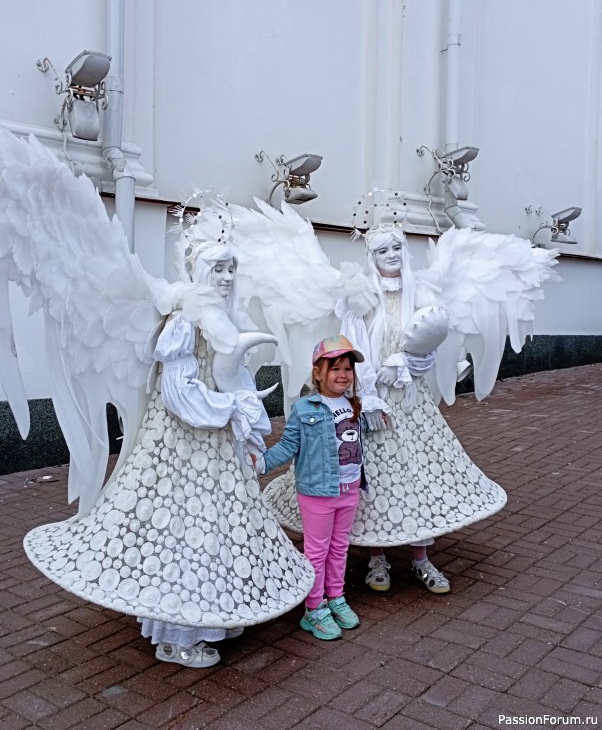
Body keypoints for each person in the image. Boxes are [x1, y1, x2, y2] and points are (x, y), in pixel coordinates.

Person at [23, 239, 314, 667]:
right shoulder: (183, 322)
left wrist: (244, 416)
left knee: (217, 527)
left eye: (232, 269)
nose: (227, 277)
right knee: (183, 530)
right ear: (198, 271)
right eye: (217, 269)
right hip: (180, 446)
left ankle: (213, 611)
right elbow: (180, 393)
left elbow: (232, 375)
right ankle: (177, 634)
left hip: (216, 446)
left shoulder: (226, 318)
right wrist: (230, 407)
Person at [263, 224, 506, 596]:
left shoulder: (420, 293)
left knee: (419, 478)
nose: (391, 255)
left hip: (411, 402)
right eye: (382, 251)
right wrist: (370, 397)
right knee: (374, 482)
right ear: (371, 257)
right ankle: (378, 555)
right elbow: (353, 349)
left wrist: (408, 364)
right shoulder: (359, 297)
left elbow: (429, 346)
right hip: (370, 404)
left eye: (396, 248)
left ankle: (421, 556)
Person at [257, 335, 370, 641]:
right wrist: (263, 462)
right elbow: (289, 445)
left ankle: (336, 597)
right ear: (318, 372)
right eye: (335, 368)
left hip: (349, 488)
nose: (343, 375)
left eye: (347, 368)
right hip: (317, 492)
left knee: (340, 546)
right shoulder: (306, 407)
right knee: (317, 550)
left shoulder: (354, 404)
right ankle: (314, 608)